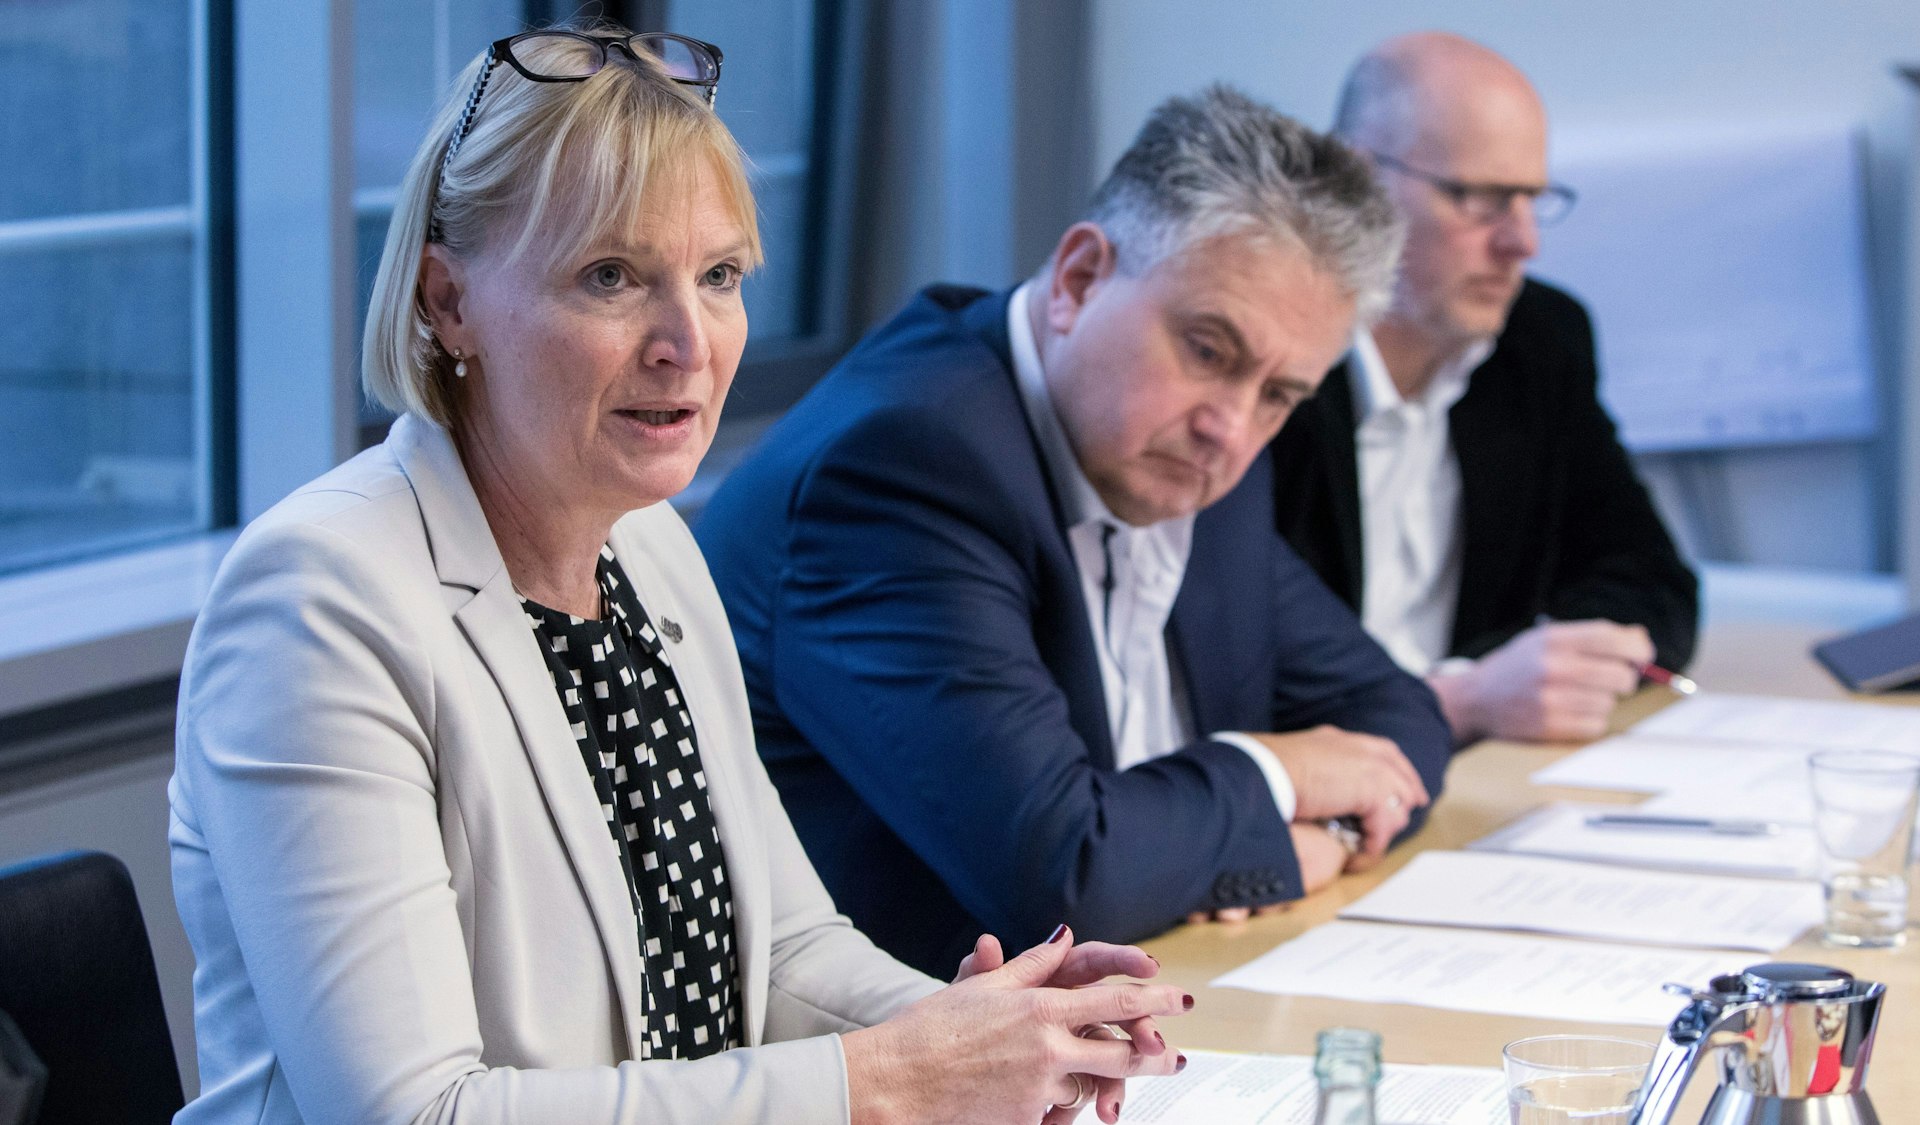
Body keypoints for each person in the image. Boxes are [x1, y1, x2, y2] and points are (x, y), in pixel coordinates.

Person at [167, 24, 1188, 1125]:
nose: (686, 342)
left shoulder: (648, 547)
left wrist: (993, 1031)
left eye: (717, 277)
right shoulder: (320, 600)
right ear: (445, 300)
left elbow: (787, 949)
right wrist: (890, 1080)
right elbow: (416, 1114)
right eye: (609, 276)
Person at [695, 87, 1452, 981]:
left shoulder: (1188, 455)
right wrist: (1277, 781)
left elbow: (1400, 721)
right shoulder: (906, 464)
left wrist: (1310, 825)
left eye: (1281, 394)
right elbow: (1063, 877)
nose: (1235, 427)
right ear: (1080, 278)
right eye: (1209, 350)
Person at [1268, 32, 1700, 746]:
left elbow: (1651, 581)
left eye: (1532, 199)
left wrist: (1551, 666)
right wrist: (1464, 696)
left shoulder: (1538, 339)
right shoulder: (1270, 364)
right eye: (1480, 199)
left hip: (1474, 771)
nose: (1522, 242)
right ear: (1354, 177)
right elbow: (1235, 662)